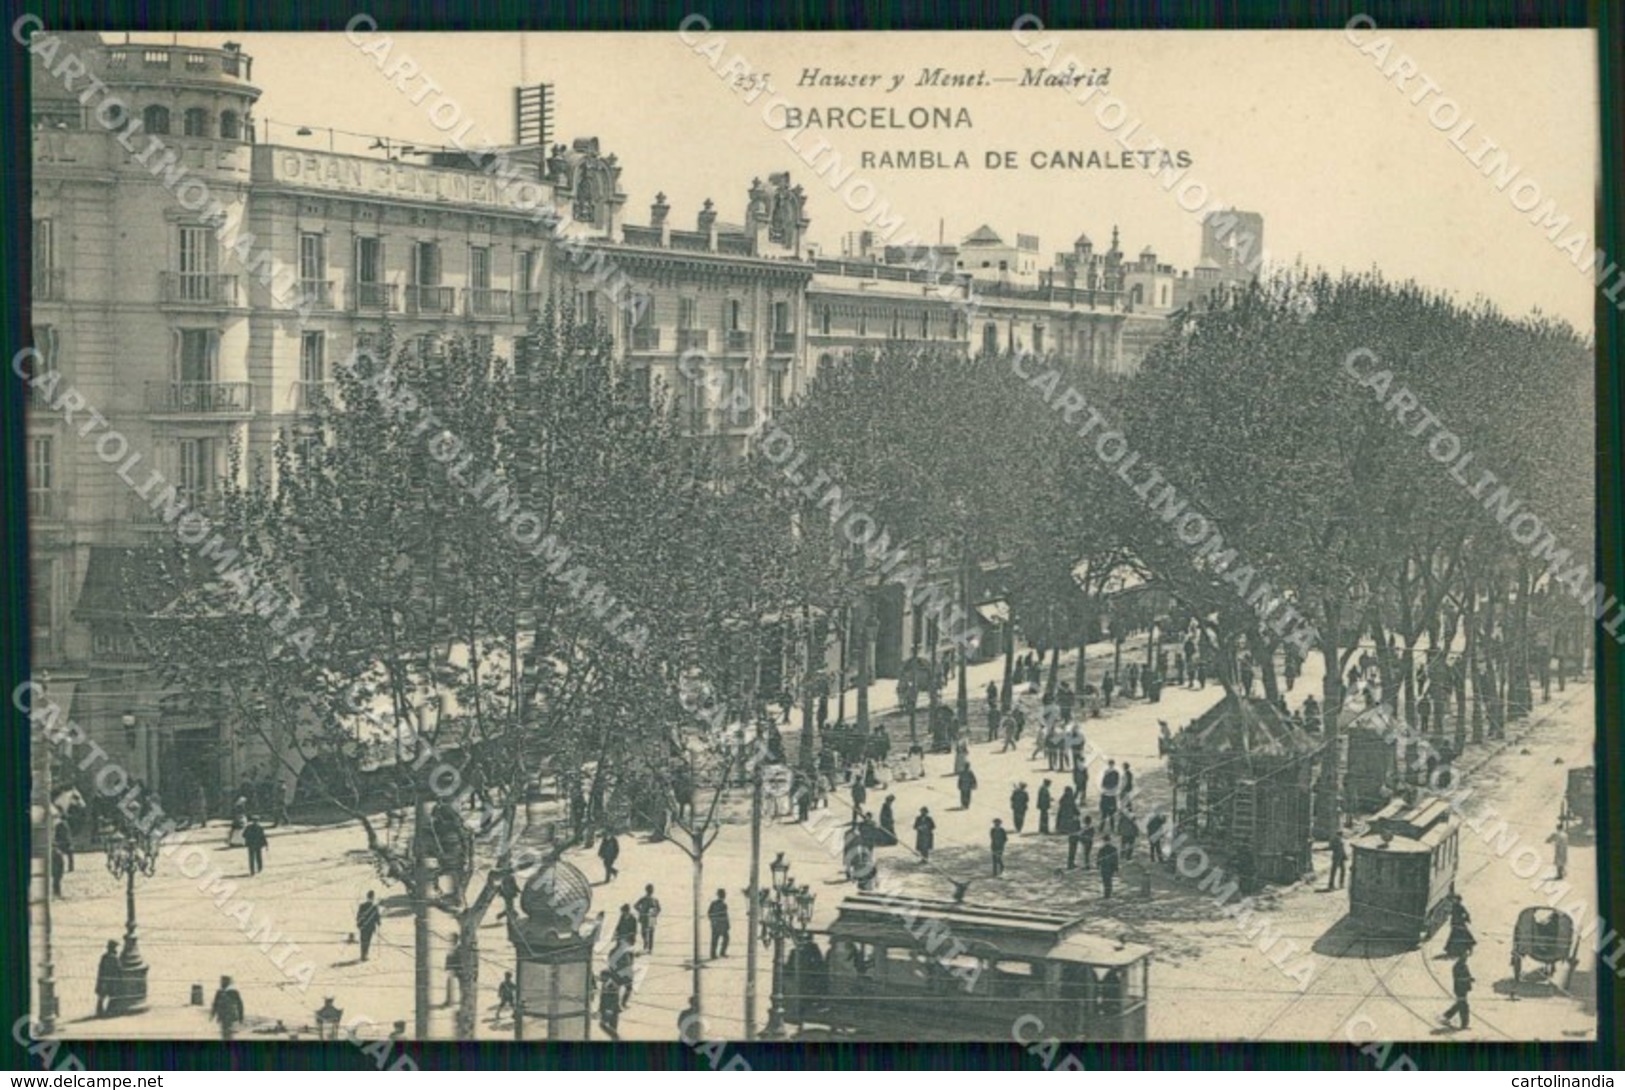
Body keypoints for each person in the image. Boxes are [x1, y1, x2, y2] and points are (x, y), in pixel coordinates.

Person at [1440, 953, 1474, 1029]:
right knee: (1463, 1006)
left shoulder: (1464, 965)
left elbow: (1466, 975)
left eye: (1466, 958)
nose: (1465, 959)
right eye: (1464, 957)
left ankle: (1446, 1016)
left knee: (1460, 1004)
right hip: (1459, 989)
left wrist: (1470, 978)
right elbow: (1459, 978)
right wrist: (1468, 979)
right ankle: (1464, 1024)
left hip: (1464, 989)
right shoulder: (1458, 967)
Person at [210, 975, 244, 1040]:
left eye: (223, 981)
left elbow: (240, 1004)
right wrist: (212, 1014)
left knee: (227, 1032)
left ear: (228, 982)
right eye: (221, 981)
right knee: (225, 1032)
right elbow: (215, 1003)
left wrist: (240, 1017)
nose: (221, 983)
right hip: (223, 1015)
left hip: (229, 1015)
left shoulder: (233, 992)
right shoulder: (219, 992)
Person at [95, 940, 120, 1017]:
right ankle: (109, 1011)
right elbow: (118, 968)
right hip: (111, 981)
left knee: (102, 997)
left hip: (103, 980)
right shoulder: (114, 958)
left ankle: (100, 1011)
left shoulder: (104, 957)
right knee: (112, 996)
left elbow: (100, 969)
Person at [356, 891, 383, 961]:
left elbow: (358, 916)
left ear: (367, 897)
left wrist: (359, 924)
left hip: (363, 927)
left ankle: (362, 955)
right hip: (370, 927)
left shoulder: (362, 906)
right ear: (373, 897)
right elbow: (377, 917)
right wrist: (379, 923)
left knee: (363, 941)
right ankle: (365, 955)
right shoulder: (374, 907)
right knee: (368, 941)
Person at [635, 884, 662, 953]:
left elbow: (659, 909)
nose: (650, 891)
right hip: (645, 917)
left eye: (651, 890)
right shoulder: (643, 899)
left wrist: (655, 914)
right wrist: (641, 911)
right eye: (649, 890)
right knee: (644, 933)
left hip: (651, 917)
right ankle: (646, 943)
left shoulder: (655, 899)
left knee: (651, 933)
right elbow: (636, 905)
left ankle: (650, 948)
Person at [598, 969, 622, 1039]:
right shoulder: (605, 983)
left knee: (603, 1024)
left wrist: (609, 1010)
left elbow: (614, 998)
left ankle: (616, 1038)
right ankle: (615, 1038)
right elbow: (602, 998)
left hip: (611, 1009)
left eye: (602, 976)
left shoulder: (612, 985)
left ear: (606, 976)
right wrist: (600, 1009)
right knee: (612, 1027)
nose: (601, 978)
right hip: (608, 1009)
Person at [708, 889, 730, 959]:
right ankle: (721, 953)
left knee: (715, 940)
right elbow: (725, 916)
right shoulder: (723, 905)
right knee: (725, 938)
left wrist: (712, 921)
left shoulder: (713, 903)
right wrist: (727, 925)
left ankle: (713, 954)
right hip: (721, 925)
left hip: (716, 925)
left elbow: (709, 913)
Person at [1100, 760, 1121, 833]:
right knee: (1112, 814)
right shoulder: (1116, 773)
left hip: (1105, 795)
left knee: (1104, 814)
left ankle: (1101, 828)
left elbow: (1102, 783)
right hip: (1112, 795)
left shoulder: (1106, 771)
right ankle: (1112, 828)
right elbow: (1117, 783)